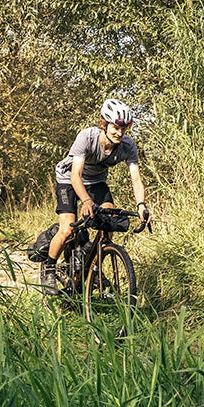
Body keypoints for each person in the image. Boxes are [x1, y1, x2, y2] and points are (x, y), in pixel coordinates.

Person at [40, 98, 150, 293]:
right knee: (67, 230)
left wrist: (141, 205)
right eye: (115, 127)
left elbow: (136, 179)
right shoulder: (87, 137)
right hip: (68, 179)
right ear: (104, 124)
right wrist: (86, 201)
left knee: (109, 224)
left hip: (97, 182)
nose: (119, 133)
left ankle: (93, 268)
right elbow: (76, 175)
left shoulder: (128, 145)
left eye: (124, 129)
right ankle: (49, 268)